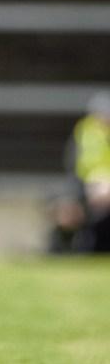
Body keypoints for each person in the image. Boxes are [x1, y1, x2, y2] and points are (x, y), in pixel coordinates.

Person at [49, 91, 110, 253]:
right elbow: (74, 167)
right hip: (86, 187)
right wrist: (90, 186)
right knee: (66, 208)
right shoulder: (84, 132)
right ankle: (62, 250)